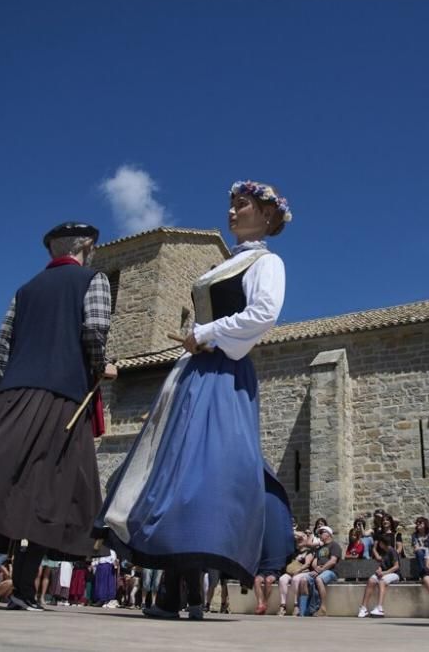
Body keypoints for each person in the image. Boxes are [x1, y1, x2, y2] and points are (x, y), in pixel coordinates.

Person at [94, 181, 295, 621]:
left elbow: (264, 313)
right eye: (231, 204)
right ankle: (182, 588)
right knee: (176, 469)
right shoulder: (234, 263)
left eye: (241, 205)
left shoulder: (267, 262)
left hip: (222, 372)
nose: (232, 211)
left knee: (203, 472)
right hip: (194, 371)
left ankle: (180, 587)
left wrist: (203, 333)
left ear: (265, 214)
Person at [0, 222, 116, 613]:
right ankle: (24, 589)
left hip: (13, 395)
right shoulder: (93, 279)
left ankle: (22, 588)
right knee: (52, 488)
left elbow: (0, 348)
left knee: (10, 481)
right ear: (87, 246)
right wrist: (100, 369)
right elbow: (95, 331)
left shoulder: (25, 290)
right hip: (62, 396)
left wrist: (2, 392)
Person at [298, 526, 341, 617]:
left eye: (321, 533)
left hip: (331, 571)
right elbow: (315, 563)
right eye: (319, 533)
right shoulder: (319, 548)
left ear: (328, 534)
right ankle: (303, 611)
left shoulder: (334, 545)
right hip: (320, 571)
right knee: (303, 580)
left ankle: (323, 608)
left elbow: (333, 561)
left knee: (318, 579)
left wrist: (321, 569)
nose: (319, 535)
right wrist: (315, 568)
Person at [357, 533, 400, 618]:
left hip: (395, 574)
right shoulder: (383, 552)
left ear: (383, 543)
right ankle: (363, 607)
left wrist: (384, 573)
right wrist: (379, 570)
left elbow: (396, 566)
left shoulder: (392, 551)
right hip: (384, 573)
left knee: (382, 581)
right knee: (371, 580)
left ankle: (380, 607)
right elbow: (382, 565)